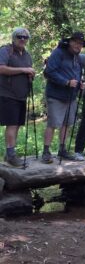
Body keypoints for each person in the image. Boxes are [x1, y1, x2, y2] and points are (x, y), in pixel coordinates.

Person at [42, 32, 85, 163]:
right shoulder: (59, 53)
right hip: (56, 95)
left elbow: (77, 75)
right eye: (76, 42)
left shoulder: (77, 57)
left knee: (67, 124)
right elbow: (49, 71)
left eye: (80, 44)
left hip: (71, 97)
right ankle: (46, 151)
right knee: (53, 123)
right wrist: (66, 82)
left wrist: (80, 85)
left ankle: (62, 150)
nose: (78, 45)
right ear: (70, 42)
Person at [0, 28, 35, 167]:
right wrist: (24, 70)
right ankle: (11, 155)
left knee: (17, 125)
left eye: (25, 37)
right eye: (19, 37)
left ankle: (9, 153)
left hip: (21, 95)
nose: (22, 39)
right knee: (12, 124)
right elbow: (1, 68)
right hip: (7, 94)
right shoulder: (5, 50)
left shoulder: (26, 55)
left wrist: (30, 75)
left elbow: (28, 70)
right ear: (14, 38)